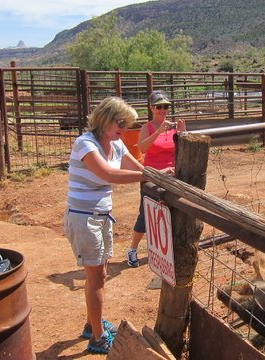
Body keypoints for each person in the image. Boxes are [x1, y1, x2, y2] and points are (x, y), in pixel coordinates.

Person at [63, 96, 173, 354]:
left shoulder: (117, 144)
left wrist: (159, 175)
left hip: (100, 216)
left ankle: (93, 325)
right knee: (96, 278)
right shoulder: (85, 144)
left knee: (98, 276)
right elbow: (109, 174)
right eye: (120, 122)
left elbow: (139, 169)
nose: (124, 128)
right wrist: (150, 175)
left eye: (127, 123)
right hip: (84, 218)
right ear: (105, 118)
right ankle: (97, 338)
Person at [127, 90, 186, 268]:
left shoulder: (174, 125)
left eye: (166, 106)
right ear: (152, 108)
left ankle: (167, 249)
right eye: (159, 106)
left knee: (173, 210)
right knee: (146, 213)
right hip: (152, 176)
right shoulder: (148, 127)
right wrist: (159, 130)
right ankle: (132, 249)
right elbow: (142, 148)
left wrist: (183, 133)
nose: (163, 110)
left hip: (172, 175)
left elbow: (183, 148)